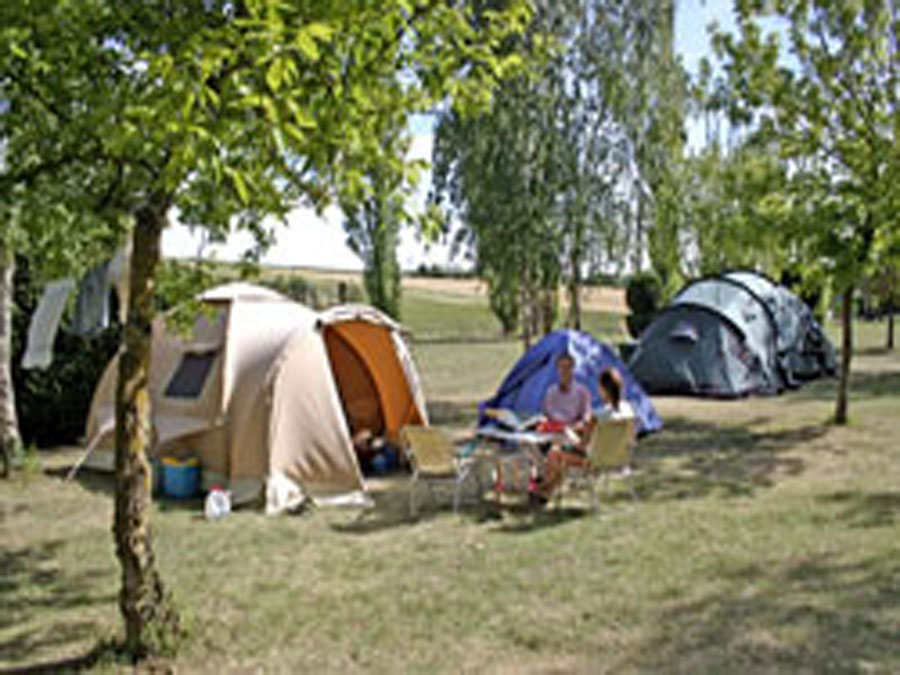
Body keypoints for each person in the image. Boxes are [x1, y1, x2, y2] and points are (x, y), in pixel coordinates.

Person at [533, 366, 631, 505]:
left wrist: (570, 435)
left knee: (554, 452)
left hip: (593, 461)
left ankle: (543, 491)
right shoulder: (627, 409)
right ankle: (544, 492)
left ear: (603, 389)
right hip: (617, 457)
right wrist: (580, 430)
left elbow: (582, 446)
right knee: (560, 452)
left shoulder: (598, 416)